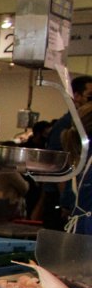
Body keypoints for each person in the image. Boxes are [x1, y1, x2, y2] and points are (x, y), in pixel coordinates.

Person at [42, 75, 92, 229]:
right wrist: (68, 203)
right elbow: (58, 167)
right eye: (90, 97)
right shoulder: (67, 125)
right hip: (64, 202)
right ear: (76, 96)